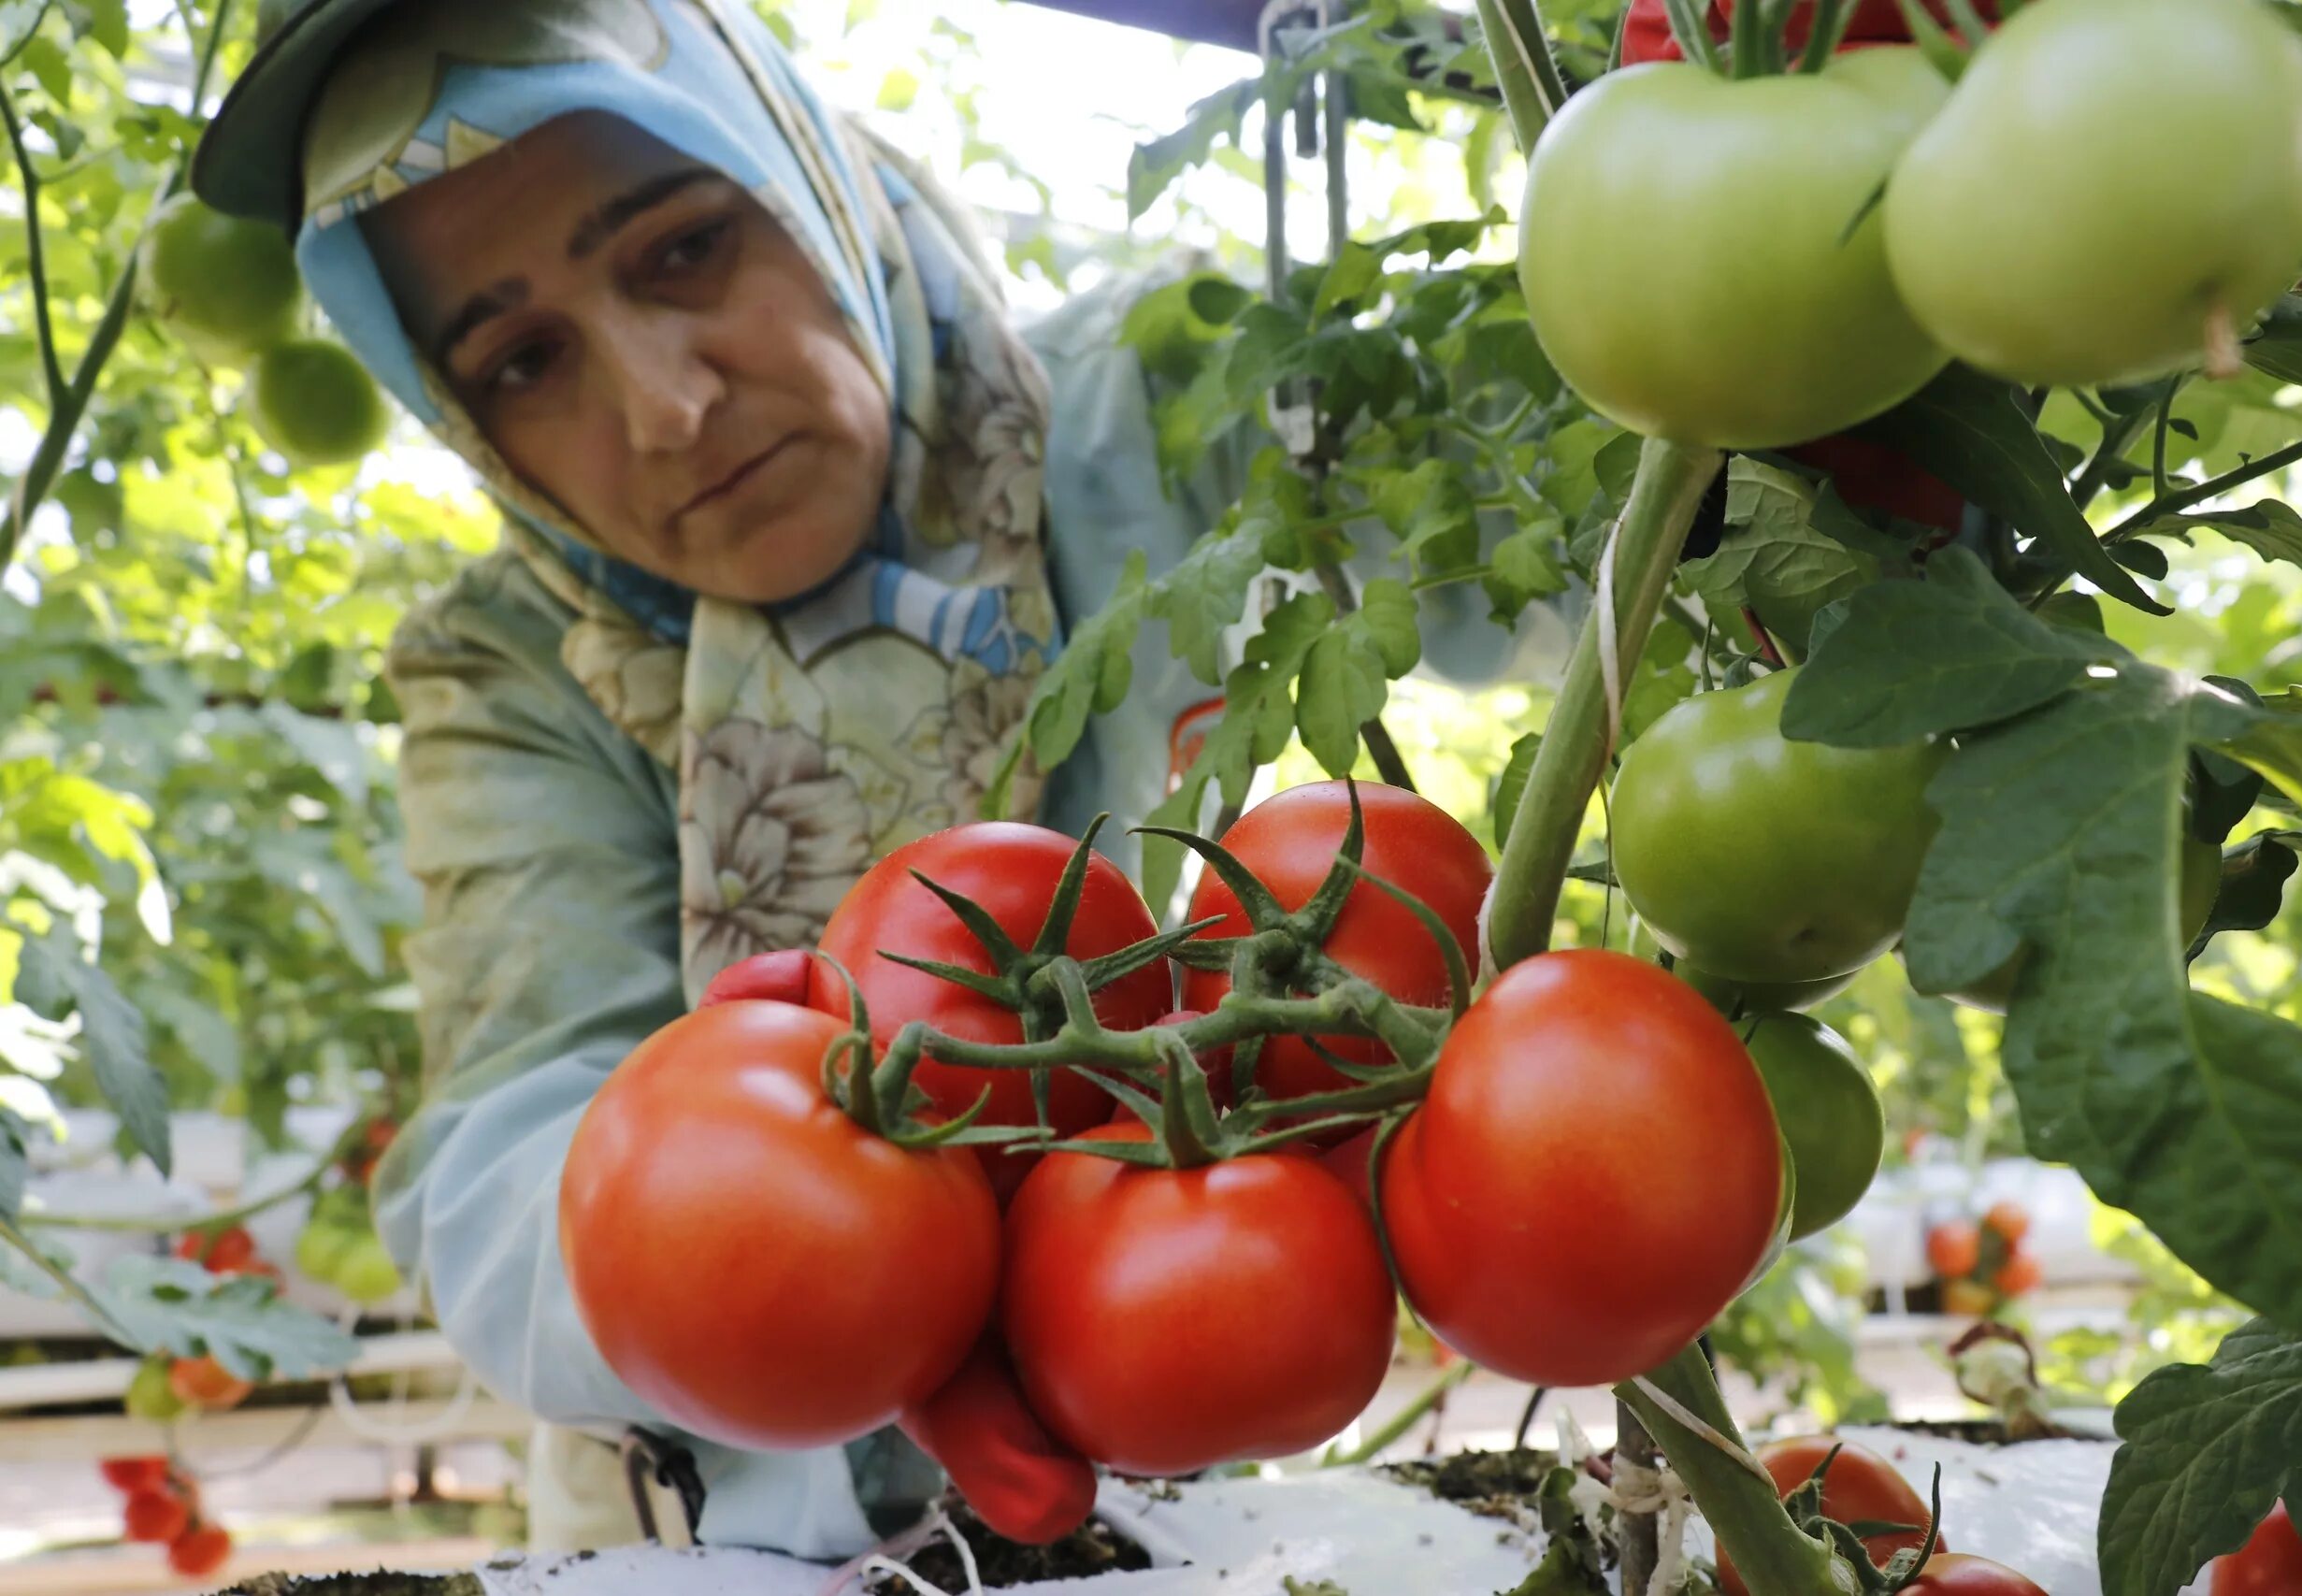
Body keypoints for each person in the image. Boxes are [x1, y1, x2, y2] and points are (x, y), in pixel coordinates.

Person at [193, 0, 1570, 1562]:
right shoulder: (517, 666)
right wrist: (729, 1244)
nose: (666, 406)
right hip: (694, 1522)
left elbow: (1568, 515)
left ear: (798, 175)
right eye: (522, 361)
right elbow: (494, 1174)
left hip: (1169, 1457)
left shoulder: (1164, 410)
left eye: (683, 248)